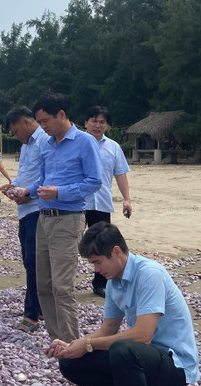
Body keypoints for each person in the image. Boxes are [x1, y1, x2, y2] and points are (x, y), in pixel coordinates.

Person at [45, 222, 200, 386]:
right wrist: (74, 346)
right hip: (145, 361)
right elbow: (107, 330)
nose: (95, 270)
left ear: (116, 251)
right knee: (70, 362)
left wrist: (89, 344)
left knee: (123, 348)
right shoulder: (114, 282)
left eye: (98, 262)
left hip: (174, 364)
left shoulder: (150, 274)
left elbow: (143, 336)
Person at [12, 92, 101, 343]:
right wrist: (26, 191)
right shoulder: (47, 145)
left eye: (45, 121)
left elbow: (94, 181)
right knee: (43, 285)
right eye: (39, 122)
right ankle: (56, 340)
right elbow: (43, 180)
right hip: (44, 217)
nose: (43, 127)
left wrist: (59, 192)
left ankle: (72, 343)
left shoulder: (84, 142)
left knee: (62, 287)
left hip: (68, 217)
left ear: (62, 114)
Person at [1, 106, 46, 333]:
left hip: (39, 207)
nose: (14, 136)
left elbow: (48, 176)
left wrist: (28, 192)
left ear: (27, 123)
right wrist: (14, 187)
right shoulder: (26, 146)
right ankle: (38, 307)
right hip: (26, 209)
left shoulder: (45, 141)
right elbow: (27, 174)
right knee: (29, 260)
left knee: (35, 261)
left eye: (15, 130)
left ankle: (32, 314)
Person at [83, 105, 132, 298]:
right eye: (93, 121)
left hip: (101, 202)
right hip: (77, 202)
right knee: (71, 242)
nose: (97, 125)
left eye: (101, 122)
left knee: (101, 244)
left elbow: (120, 174)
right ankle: (65, 281)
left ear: (107, 125)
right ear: (85, 123)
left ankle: (100, 283)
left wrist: (127, 199)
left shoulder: (113, 147)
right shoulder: (76, 143)